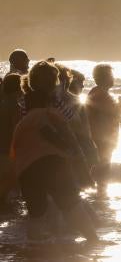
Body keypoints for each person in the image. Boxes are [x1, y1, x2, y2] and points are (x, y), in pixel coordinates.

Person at [10, 61, 97, 241]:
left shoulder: (21, 103)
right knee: (71, 205)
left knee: (36, 212)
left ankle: (36, 250)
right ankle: (92, 241)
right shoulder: (54, 105)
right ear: (53, 82)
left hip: (26, 165)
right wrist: (80, 163)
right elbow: (73, 129)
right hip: (53, 161)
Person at [86, 64, 121, 192]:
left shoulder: (96, 92)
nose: (113, 79)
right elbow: (117, 114)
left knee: (99, 169)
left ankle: (99, 196)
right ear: (104, 78)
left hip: (100, 138)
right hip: (102, 139)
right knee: (103, 170)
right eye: (111, 76)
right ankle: (100, 198)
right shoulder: (102, 95)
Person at [0, 74, 22, 205]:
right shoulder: (15, 106)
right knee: (8, 182)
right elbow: (16, 130)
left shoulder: (2, 102)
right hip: (7, 150)